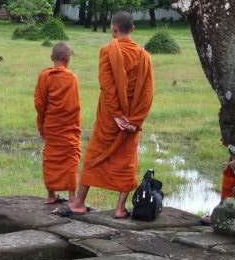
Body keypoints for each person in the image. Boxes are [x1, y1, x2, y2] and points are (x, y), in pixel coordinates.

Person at [54, 11, 153, 218]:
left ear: (112, 28)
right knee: (127, 160)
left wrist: (116, 115)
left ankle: (79, 203)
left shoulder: (107, 50)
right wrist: (135, 121)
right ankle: (120, 209)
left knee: (94, 155)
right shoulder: (144, 56)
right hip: (131, 118)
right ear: (133, 29)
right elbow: (147, 92)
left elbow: (107, 86)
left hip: (110, 117)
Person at [34, 42, 81, 204]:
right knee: (71, 157)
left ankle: (51, 195)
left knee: (50, 158)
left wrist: (41, 124)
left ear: (51, 58)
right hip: (69, 127)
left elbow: (39, 103)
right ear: (68, 60)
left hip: (51, 125)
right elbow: (74, 105)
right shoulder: (71, 77)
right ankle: (72, 196)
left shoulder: (44, 76)